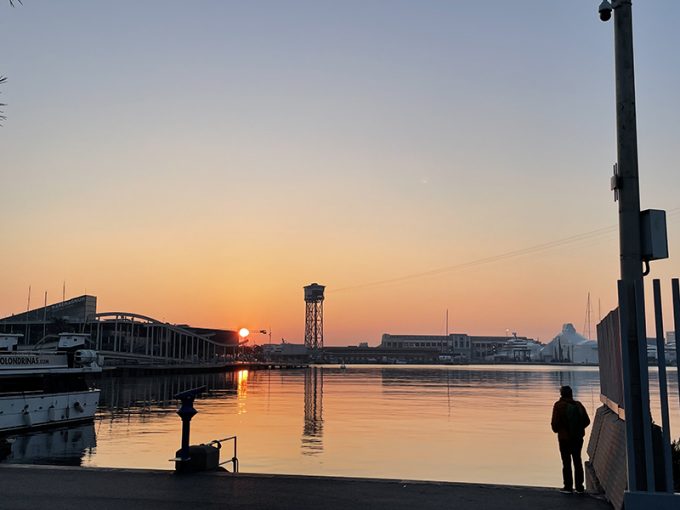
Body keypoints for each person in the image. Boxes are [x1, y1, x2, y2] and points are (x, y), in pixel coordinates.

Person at [551, 385, 590, 494]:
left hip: (564, 439)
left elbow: (554, 425)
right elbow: (587, 421)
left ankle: (568, 487)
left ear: (561, 394)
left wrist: (560, 430)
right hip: (577, 438)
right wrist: (578, 429)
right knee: (577, 461)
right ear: (571, 393)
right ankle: (580, 487)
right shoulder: (578, 405)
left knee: (566, 462)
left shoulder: (558, 406)